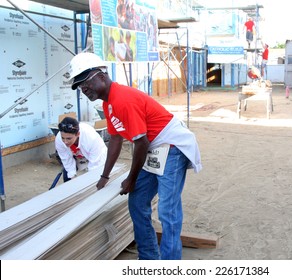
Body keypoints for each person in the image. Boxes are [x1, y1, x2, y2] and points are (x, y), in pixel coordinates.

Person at [67, 52, 202, 260]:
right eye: (80, 87)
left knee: (167, 210)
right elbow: (115, 140)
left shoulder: (122, 99)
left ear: (101, 76)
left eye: (86, 82)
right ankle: (149, 258)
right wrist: (104, 176)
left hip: (172, 146)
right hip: (154, 149)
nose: (84, 89)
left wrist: (131, 179)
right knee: (137, 202)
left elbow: (141, 143)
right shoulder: (108, 104)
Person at [55, 116, 107, 182]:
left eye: (69, 138)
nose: (65, 142)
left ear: (78, 134)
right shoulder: (59, 139)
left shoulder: (91, 138)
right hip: (77, 156)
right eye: (63, 138)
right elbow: (66, 159)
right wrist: (72, 176)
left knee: (97, 177)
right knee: (67, 177)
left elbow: (95, 165)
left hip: (96, 156)